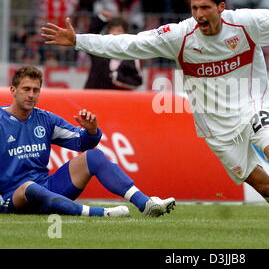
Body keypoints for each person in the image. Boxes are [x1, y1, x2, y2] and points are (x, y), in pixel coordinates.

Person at [41, 0, 269, 231]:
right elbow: (131, 44)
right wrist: (79, 41)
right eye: (194, 8)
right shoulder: (179, 35)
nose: (199, 15)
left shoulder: (247, 24)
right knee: (262, 186)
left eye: (205, 7)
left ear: (221, 7)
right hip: (214, 127)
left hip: (251, 107)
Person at [0, 66, 175, 217]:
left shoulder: (45, 119)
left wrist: (91, 131)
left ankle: (145, 204)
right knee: (29, 187)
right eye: (26, 89)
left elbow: (81, 143)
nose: (31, 95)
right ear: (13, 90)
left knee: (93, 156)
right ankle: (100, 213)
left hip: (46, 187)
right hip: (14, 196)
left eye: (35, 90)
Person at [84, 13, 143, 90]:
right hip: (93, 97)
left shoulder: (131, 56)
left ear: (125, 34)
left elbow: (136, 82)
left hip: (117, 100)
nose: (115, 33)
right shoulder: (100, 50)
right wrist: (101, 19)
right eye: (112, 30)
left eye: (119, 30)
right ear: (108, 32)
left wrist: (117, 77)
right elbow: (90, 38)